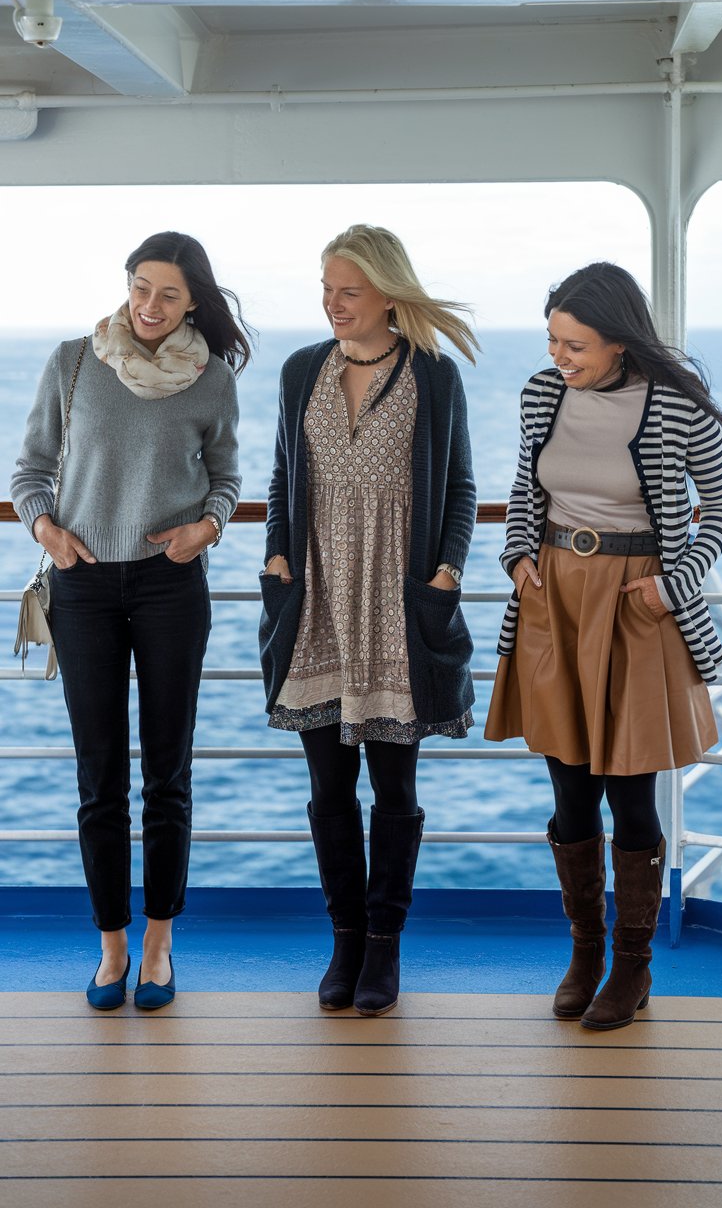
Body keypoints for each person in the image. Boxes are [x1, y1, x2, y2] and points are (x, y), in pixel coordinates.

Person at [485, 261, 722, 1031]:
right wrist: (519, 555)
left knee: (630, 791)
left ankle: (632, 966)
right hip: (554, 595)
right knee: (568, 789)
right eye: (554, 341)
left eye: (577, 346)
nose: (561, 358)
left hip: (638, 604)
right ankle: (585, 952)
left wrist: (675, 583)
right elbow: (530, 487)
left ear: (621, 341)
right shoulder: (541, 393)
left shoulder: (675, 408)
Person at [11, 231, 250, 1010]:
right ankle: (111, 947)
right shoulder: (75, 362)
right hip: (82, 587)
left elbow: (226, 478)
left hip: (169, 585)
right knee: (99, 776)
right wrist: (46, 528)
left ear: (193, 303)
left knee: (167, 775)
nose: (150, 305)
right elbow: (30, 471)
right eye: (141, 287)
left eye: (169, 294)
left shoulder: (210, 379)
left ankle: (159, 943)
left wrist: (206, 529)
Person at [259, 223, 478, 1016]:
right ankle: (345, 938)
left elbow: (459, 487)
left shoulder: (434, 378)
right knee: (326, 790)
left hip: (395, 604)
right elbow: (284, 473)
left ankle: (385, 945)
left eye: (348, 290)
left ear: (388, 293)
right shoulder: (299, 372)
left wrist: (448, 571)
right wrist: (278, 557)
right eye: (325, 288)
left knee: (395, 785)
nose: (333, 304)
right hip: (316, 600)